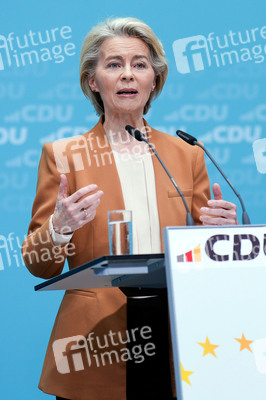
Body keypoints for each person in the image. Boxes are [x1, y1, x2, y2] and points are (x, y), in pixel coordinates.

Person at [22, 17, 237, 400]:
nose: (128, 75)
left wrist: (224, 235)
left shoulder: (187, 155)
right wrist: (59, 227)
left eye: (139, 65)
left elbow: (209, 260)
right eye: (113, 65)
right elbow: (39, 263)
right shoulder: (64, 156)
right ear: (93, 80)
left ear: (154, 79)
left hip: (177, 338)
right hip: (95, 343)